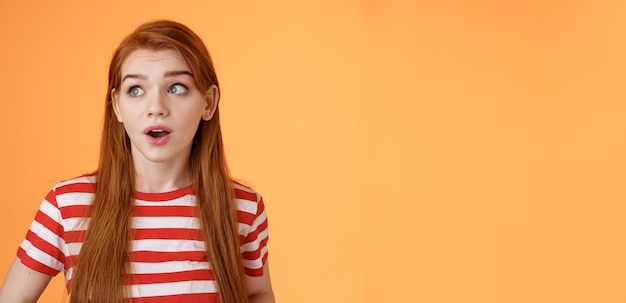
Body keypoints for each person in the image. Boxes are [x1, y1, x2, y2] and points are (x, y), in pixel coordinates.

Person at [0, 20, 274, 303]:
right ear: (116, 105)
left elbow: (258, 292)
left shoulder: (243, 207)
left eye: (176, 88)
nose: (155, 108)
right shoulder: (66, 205)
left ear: (208, 102)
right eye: (136, 90)